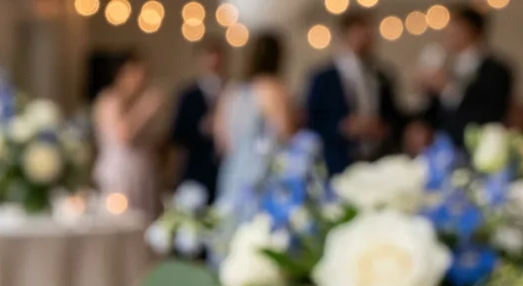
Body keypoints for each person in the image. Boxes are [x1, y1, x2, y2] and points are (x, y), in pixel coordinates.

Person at [306, 10, 403, 175]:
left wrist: (382, 127)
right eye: (360, 33)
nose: (366, 38)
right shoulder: (323, 78)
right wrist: (343, 127)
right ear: (346, 35)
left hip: (378, 160)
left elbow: (394, 114)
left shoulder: (382, 75)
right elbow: (312, 121)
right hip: (339, 162)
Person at [214, 32, 295, 211]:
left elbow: (222, 142)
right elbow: (286, 137)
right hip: (263, 177)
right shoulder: (273, 88)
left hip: (233, 173)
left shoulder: (231, 91)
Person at [418, 5, 513, 147]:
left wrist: (447, 89)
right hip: (444, 148)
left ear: (473, 31)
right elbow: (435, 116)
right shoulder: (447, 68)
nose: (449, 33)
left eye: (456, 27)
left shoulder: (496, 71)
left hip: (481, 149)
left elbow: (489, 114)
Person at [93, 52, 165, 218]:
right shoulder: (110, 100)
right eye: (136, 74)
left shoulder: (135, 101)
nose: (140, 80)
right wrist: (145, 107)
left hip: (143, 172)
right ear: (121, 74)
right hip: (120, 174)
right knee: (122, 221)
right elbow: (123, 136)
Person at [171, 40, 226, 202]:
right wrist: (202, 128)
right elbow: (177, 134)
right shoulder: (188, 95)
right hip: (196, 168)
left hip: (222, 169)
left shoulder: (231, 91)